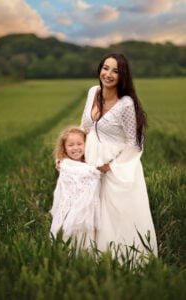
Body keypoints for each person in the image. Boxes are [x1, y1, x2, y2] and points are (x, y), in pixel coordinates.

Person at [81, 53, 158, 259]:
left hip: (116, 168)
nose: (108, 74)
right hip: (90, 163)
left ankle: (118, 258)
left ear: (123, 76)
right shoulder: (92, 93)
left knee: (116, 215)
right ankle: (89, 257)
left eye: (115, 71)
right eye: (106, 68)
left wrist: (111, 166)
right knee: (89, 211)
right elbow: (84, 128)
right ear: (100, 69)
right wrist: (71, 155)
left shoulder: (126, 104)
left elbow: (135, 143)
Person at [50, 126, 101, 249]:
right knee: (68, 235)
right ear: (64, 148)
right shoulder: (66, 165)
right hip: (69, 207)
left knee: (85, 238)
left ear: (86, 145)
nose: (76, 148)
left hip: (87, 210)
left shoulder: (90, 164)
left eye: (79, 144)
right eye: (70, 145)